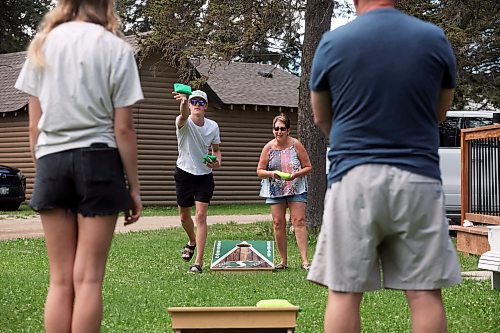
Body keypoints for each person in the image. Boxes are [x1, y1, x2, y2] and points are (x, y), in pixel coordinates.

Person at [308, 0, 462, 332]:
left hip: (353, 179)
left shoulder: (334, 42)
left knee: (344, 293)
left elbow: (321, 116)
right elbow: (438, 113)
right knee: (424, 294)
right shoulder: (433, 38)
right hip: (417, 178)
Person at [14, 1, 143, 332]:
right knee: (88, 279)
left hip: (52, 162)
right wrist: (134, 187)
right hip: (99, 161)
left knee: (59, 280)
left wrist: (43, 167)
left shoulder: (42, 43)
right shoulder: (116, 49)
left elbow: (34, 126)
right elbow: (124, 129)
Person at [172, 89, 222, 274]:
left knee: (201, 216)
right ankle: (191, 240)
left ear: (206, 106)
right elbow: (183, 115)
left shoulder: (213, 126)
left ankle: (198, 263)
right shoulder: (182, 122)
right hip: (184, 172)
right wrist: (184, 102)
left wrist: (216, 161)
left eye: (201, 102)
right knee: (184, 217)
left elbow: (216, 150)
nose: (197, 105)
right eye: (194, 102)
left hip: (204, 176)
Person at [257, 113, 312, 270]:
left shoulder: (296, 145)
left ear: (288, 130)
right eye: (276, 129)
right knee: (278, 223)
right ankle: (283, 261)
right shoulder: (268, 148)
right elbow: (259, 170)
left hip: (296, 187)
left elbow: (308, 166)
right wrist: (270, 173)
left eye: (282, 129)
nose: (279, 132)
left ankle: (305, 261)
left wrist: (297, 174)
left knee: (299, 221)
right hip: (275, 189)